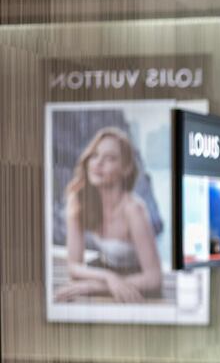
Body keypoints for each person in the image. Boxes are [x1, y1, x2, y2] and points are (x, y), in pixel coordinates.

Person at [55, 127, 162, 303]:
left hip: (136, 278)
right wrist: (108, 277)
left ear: (126, 168)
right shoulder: (78, 199)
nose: (98, 163)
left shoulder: (134, 209)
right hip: (104, 269)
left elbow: (153, 278)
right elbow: (73, 266)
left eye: (110, 158)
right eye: (95, 155)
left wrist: (95, 286)